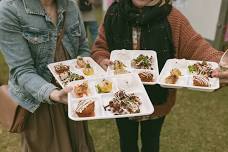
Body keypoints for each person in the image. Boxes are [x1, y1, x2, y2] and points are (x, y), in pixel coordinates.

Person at [91, 0, 224, 152]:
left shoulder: (172, 17)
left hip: (157, 102)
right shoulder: (114, 13)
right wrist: (101, 59)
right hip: (120, 98)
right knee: (127, 142)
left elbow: (198, 47)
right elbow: (100, 47)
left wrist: (221, 61)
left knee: (151, 142)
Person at [0, 0, 95, 152]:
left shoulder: (70, 5)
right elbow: (22, 70)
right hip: (38, 105)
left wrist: (86, 72)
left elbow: (82, 47)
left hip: (72, 96)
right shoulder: (9, 9)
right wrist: (54, 94)